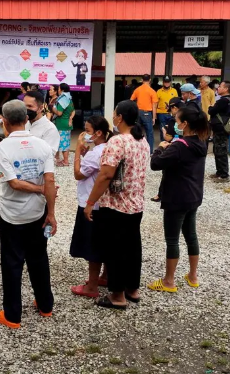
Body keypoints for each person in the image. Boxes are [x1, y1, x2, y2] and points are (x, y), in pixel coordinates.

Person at [0, 100, 57, 328]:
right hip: (37, 213)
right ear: (27, 118)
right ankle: (45, 305)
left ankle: (12, 316)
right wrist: (51, 213)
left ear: (5, 121)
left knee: (12, 263)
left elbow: (14, 183)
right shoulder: (42, 146)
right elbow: (50, 181)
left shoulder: (3, 148)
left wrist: (39, 189)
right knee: (39, 258)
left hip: (12, 215)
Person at [84, 100, 150, 310]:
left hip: (116, 204)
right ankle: (132, 289)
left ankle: (118, 295)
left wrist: (91, 202)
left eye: (114, 113)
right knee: (132, 248)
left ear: (120, 117)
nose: (113, 116)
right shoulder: (142, 140)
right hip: (136, 203)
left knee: (115, 250)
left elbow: (105, 174)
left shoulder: (118, 141)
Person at [148, 106, 209, 293]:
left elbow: (155, 164)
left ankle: (169, 281)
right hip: (194, 195)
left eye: (177, 120)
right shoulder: (201, 141)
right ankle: (192, 276)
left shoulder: (179, 146)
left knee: (172, 239)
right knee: (191, 235)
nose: (175, 122)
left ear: (185, 124)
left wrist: (160, 148)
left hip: (177, 197)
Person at [69, 116, 112, 298]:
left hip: (90, 203)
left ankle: (92, 286)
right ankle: (106, 276)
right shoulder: (109, 149)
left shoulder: (96, 153)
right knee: (105, 242)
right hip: (107, 204)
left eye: (87, 130)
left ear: (98, 133)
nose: (84, 134)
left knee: (93, 246)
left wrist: (78, 151)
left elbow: (79, 174)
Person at [151, 97, 184, 202]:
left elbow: (168, 138)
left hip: (172, 148)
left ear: (174, 108)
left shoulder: (172, 120)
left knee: (167, 173)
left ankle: (161, 194)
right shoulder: (188, 117)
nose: (171, 112)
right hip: (185, 148)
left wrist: (164, 132)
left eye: (171, 109)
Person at [208, 80, 230, 182]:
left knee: (221, 151)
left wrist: (211, 107)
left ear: (226, 89)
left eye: (220, 87)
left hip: (221, 130)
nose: (218, 88)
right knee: (217, 150)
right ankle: (219, 171)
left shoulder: (223, 101)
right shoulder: (225, 100)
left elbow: (212, 110)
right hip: (218, 130)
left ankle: (224, 174)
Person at [24, 90, 60, 154]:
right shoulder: (23, 124)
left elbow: (49, 154)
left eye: (30, 106)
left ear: (40, 108)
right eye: (24, 106)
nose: (26, 109)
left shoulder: (50, 129)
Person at [130, 74, 159, 153]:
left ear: (142, 80)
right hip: (147, 113)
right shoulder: (152, 91)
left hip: (138, 112)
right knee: (149, 133)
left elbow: (131, 100)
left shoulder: (137, 89)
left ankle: (136, 150)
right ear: (150, 80)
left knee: (136, 131)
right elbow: (154, 105)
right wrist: (154, 117)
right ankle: (149, 151)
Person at [51, 83, 75, 166]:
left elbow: (59, 113)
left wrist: (53, 109)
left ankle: (65, 161)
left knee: (61, 143)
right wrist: (71, 118)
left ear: (62, 90)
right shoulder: (69, 98)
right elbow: (73, 111)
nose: (58, 90)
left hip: (61, 124)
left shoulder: (62, 100)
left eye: (58, 89)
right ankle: (63, 160)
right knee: (66, 143)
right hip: (67, 124)